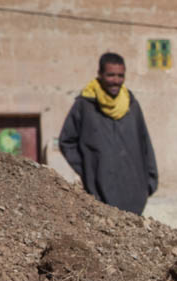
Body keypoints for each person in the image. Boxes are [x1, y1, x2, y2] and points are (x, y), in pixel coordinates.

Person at [59, 52, 158, 215]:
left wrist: (150, 182)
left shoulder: (131, 105)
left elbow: (144, 143)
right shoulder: (85, 105)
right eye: (111, 75)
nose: (116, 80)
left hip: (134, 191)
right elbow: (67, 141)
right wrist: (88, 169)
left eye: (120, 75)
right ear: (100, 75)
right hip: (100, 192)